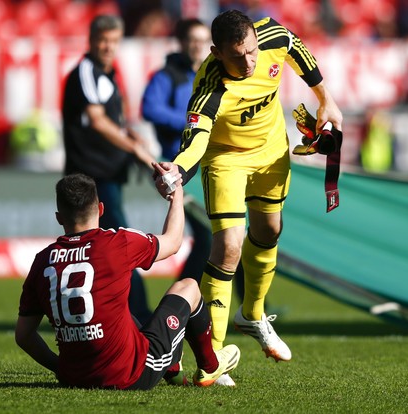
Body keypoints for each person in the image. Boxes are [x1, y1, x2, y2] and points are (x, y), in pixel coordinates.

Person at [153, 10, 343, 386]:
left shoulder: (272, 36)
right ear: (216, 52)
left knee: (270, 231)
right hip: (225, 158)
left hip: (270, 149)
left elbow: (297, 49)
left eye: (252, 52)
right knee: (228, 247)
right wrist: (177, 170)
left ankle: (252, 315)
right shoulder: (208, 86)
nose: (249, 62)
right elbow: (195, 141)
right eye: (237, 56)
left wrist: (327, 100)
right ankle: (215, 354)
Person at [15, 172, 240, 389]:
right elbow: (173, 241)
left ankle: (171, 367)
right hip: (132, 374)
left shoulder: (43, 260)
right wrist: (177, 195)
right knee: (188, 286)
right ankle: (210, 366)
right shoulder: (117, 243)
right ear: (101, 209)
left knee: (118, 308)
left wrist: (60, 368)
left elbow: (24, 336)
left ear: (58, 217)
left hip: (73, 376)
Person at [142, 18, 249, 290]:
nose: (197, 45)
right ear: (181, 42)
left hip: (215, 165)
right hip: (182, 171)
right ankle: (178, 301)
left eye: (202, 40)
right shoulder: (168, 76)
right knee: (208, 236)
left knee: (229, 233)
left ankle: (251, 304)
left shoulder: (213, 73)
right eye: (193, 39)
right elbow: (149, 108)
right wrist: (194, 121)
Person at [61, 15, 155, 324]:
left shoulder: (106, 74)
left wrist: (130, 135)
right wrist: (135, 149)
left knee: (98, 248)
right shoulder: (86, 72)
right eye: (103, 40)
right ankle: (138, 314)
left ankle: (103, 313)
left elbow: (112, 122)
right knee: (119, 244)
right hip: (91, 178)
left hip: (105, 174)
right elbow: (98, 120)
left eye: (114, 41)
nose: (108, 47)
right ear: (90, 40)